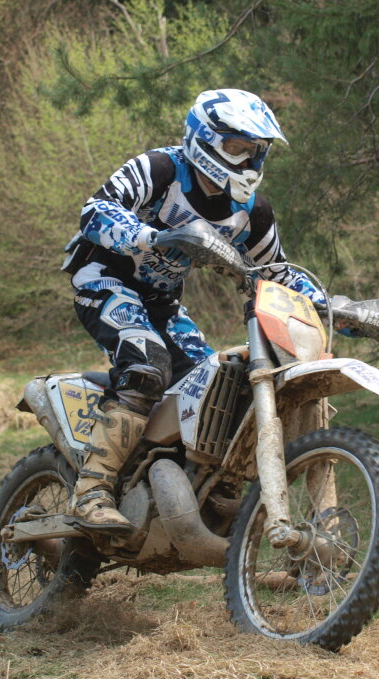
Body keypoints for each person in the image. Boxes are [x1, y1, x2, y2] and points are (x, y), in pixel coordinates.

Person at [60, 88, 327, 533]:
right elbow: (95, 210)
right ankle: (91, 491)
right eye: (237, 148)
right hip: (103, 280)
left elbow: (275, 274)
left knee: (215, 386)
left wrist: (330, 305)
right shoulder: (160, 169)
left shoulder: (252, 212)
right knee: (147, 364)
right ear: (204, 139)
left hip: (161, 303)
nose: (248, 162)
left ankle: (199, 488)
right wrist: (152, 237)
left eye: (256, 152)